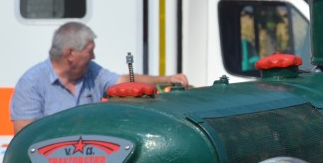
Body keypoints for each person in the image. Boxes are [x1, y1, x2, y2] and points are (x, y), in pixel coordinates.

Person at [10, 22, 189, 133]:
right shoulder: (31, 84)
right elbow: (25, 136)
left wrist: (166, 79)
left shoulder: (92, 72)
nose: (93, 56)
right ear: (70, 54)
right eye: (89, 51)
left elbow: (124, 82)